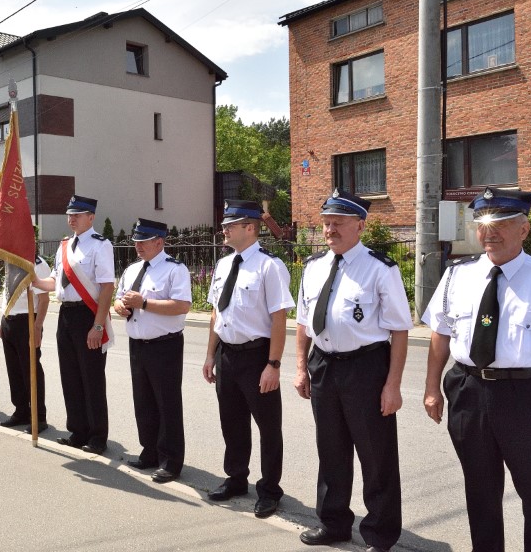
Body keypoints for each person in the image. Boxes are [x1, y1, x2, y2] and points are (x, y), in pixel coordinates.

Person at [422, 186, 531, 552]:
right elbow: (440, 333)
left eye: (502, 223)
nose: (490, 232)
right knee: (479, 492)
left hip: (527, 397)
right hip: (467, 390)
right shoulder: (456, 276)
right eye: (483, 224)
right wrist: (431, 388)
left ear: (524, 229)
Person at [293, 189, 412, 551]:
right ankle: (333, 523)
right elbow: (303, 322)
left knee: (376, 455)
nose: (330, 229)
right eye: (326, 223)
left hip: (366, 367)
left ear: (360, 225)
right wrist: (301, 367)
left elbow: (399, 330)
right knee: (330, 449)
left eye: (339, 223)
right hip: (324, 364)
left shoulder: (380, 269)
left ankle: (380, 533)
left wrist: (392, 385)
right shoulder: (313, 267)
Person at [202, 199, 292, 519]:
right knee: (232, 422)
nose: (224, 229)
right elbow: (217, 312)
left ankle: (269, 490)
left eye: (231, 225)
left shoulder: (270, 266)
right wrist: (210, 355)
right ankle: (236, 478)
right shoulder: (224, 265)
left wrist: (273, 364)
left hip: (257, 356)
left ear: (250, 228)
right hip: (227, 354)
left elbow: (279, 318)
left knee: (268, 427)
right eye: (224, 224)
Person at [34, 195, 115, 455]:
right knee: (70, 375)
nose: (72, 219)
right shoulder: (64, 246)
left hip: (88, 315)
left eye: (77, 215)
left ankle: (97, 436)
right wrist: (34, 280)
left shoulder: (101, 245)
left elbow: (107, 287)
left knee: (91, 378)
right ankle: (77, 431)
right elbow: (55, 281)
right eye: (70, 215)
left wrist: (98, 326)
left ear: (91, 217)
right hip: (66, 315)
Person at [113, 218, 190, 484]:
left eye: (143, 241)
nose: (137, 245)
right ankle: (150, 452)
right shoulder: (132, 269)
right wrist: (119, 307)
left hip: (164, 345)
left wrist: (144, 303)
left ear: (159, 242)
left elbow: (182, 306)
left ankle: (171, 461)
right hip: (137, 344)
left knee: (167, 404)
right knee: (143, 402)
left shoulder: (174, 269)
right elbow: (120, 298)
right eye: (136, 241)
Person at [0, 254, 51, 431]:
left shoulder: (37, 264)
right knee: (14, 370)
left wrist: (37, 327)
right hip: (9, 320)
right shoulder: (11, 259)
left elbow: (44, 299)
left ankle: (39, 417)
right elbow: (8, 293)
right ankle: (21, 411)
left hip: (27, 321)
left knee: (31, 370)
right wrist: (3, 320)